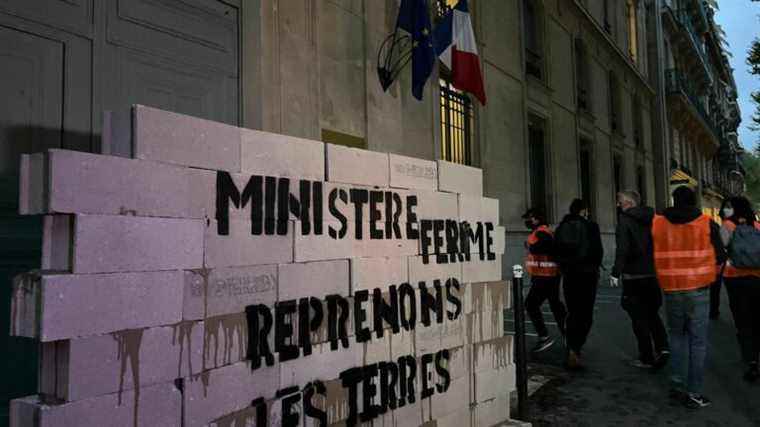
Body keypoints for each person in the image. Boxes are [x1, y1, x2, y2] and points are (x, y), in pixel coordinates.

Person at [652, 186, 725, 409]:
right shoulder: (706, 223)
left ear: (674, 200)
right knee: (698, 342)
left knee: (676, 338)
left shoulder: (658, 223)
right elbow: (721, 256)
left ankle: (676, 386)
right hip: (699, 289)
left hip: (672, 288)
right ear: (694, 201)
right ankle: (694, 392)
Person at [610, 190, 669, 370]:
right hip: (652, 273)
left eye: (619, 202)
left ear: (628, 203)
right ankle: (663, 348)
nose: (618, 205)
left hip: (633, 276)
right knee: (652, 313)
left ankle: (646, 357)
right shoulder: (655, 219)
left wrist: (615, 272)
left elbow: (623, 249)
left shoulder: (625, 220)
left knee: (638, 317)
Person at [555, 199, 603, 370]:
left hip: (570, 275)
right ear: (584, 211)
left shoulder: (561, 227)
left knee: (573, 312)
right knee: (586, 313)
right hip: (588, 275)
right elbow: (598, 252)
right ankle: (576, 347)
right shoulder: (592, 227)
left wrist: (565, 267)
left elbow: (556, 252)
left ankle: (572, 349)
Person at [719, 196, 760, 383]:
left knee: (743, 321)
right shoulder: (757, 226)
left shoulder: (728, 226)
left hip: (735, 278)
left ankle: (751, 361)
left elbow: (720, 249)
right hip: (757, 278)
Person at [522, 207, 567, 352]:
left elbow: (547, 247)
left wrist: (531, 246)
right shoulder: (544, 231)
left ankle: (544, 337)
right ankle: (569, 336)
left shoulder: (542, 232)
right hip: (549, 274)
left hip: (545, 275)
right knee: (555, 306)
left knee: (531, 304)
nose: (527, 221)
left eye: (529, 218)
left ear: (536, 218)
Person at [710, 198, 733, 319]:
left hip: (730, 267)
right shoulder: (754, 223)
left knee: (715, 287)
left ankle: (713, 310)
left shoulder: (725, 225)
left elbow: (722, 244)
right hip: (753, 268)